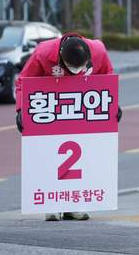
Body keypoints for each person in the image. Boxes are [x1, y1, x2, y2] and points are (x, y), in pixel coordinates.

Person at [15, 33, 122, 221]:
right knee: (50, 154)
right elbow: (24, 80)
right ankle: (52, 203)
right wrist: (21, 109)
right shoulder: (43, 53)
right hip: (50, 113)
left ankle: (74, 203)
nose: (76, 72)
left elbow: (108, 77)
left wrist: (113, 104)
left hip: (81, 111)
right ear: (61, 58)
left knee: (82, 154)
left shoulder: (98, 50)